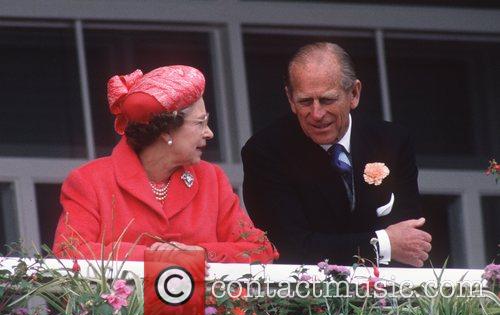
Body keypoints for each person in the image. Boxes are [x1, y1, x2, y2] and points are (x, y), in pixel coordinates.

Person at [53, 65, 278, 263]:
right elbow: (69, 252)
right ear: (166, 131)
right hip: (123, 310)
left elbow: (260, 249)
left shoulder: (212, 179)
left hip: (206, 310)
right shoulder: (90, 181)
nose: (209, 133)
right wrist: (156, 258)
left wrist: (201, 253)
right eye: (200, 123)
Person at [242, 42, 431, 267]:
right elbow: (290, 246)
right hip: (305, 295)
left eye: (327, 100)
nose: (317, 114)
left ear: (354, 93)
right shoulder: (266, 152)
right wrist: (384, 244)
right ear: (290, 99)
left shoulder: (392, 141)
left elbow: (411, 240)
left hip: (386, 292)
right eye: (304, 101)